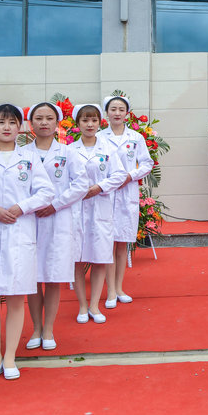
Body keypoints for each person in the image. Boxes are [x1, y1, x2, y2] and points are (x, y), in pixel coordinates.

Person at [0, 104, 54, 382]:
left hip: (19, 232)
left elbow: (46, 191)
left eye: (12, 122)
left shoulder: (29, 160)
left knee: (16, 297)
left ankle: (11, 357)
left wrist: (21, 207)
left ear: (20, 128)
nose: (6, 127)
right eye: (1, 122)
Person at [21, 102, 90, 351]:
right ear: (31, 123)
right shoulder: (22, 153)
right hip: (29, 220)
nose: (43, 122)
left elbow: (81, 184)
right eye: (38, 118)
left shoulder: (68, 153)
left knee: (52, 276)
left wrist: (56, 204)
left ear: (57, 122)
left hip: (58, 219)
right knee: (32, 277)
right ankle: (36, 329)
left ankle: (48, 329)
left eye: (49, 118)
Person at [70, 103, 127, 323]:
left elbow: (120, 175)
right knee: (76, 258)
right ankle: (82, 306)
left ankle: (94, 305)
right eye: (85, 120)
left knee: (99, 257)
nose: (90, 124)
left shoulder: (108, 150)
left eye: (93, 120)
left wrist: (98, 188)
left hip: (100, 208)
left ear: (99, 122)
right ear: (78, 124)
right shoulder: (69, 151)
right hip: (76, 210)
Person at [98, 95, 154, 309]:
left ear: (127, 113)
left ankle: (119, 288)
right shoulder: (100, 137)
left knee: (122, 244)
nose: (117, 113)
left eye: (121, 109)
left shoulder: (136, 137)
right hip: (107, 193)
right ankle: (110, 290)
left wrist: (130, 176)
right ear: (107, 112)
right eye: (113, 109)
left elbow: (147, 163)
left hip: (127, 192)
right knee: (108, 243)